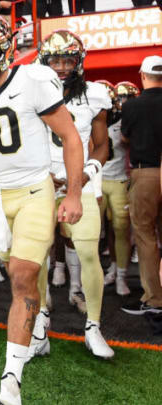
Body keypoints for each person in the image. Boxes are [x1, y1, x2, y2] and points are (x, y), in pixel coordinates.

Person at [0, 14, 83, 404]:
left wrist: (72, 194)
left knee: (23, 275)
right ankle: (39, 326)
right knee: (17, 272)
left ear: (5, 49)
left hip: (34, 190)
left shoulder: (33, 81)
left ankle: (11, 380)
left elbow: (70, 137)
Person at [30, 29, 114, 361]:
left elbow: (103, 144)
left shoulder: (94, 94)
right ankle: (39, 321)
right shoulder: (30, 92)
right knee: (36, 254)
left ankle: (93, 326)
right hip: (39, 180)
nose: (62, 67)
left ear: (79, 62)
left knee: (89, 253)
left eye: (68, 60)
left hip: (80, 183)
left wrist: (86, 173)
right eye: (55, 60)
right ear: (44, 61)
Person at [120, 55, 162, 316]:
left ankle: (155, 299)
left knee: (146, 237)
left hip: (145, 173)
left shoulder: (132, 107)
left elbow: (124, 138)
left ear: (142, 75)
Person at [101, 81, 138, 296]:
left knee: (121, 229)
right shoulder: (91, 120)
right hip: (97, 180)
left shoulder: (124, 120)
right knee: (96, 231)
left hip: (119, 180)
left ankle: (121, 275)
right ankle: (110, 269)